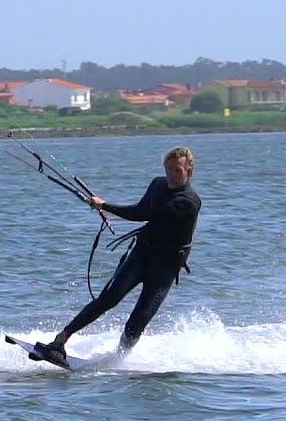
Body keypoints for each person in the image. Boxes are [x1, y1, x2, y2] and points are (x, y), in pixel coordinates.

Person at [34, 146, 202, 363]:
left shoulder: (189, 201)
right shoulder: (158, 184)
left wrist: (105, 205)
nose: (171, 175)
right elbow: (141, 206)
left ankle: (119, 360)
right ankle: (60, 340)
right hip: (142, 255)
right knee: (109, 298)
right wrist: (104, 206)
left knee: (137, 322)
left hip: (165, 268)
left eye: (177, 170)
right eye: (168, 169)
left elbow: (144, 214)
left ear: (189, 171)